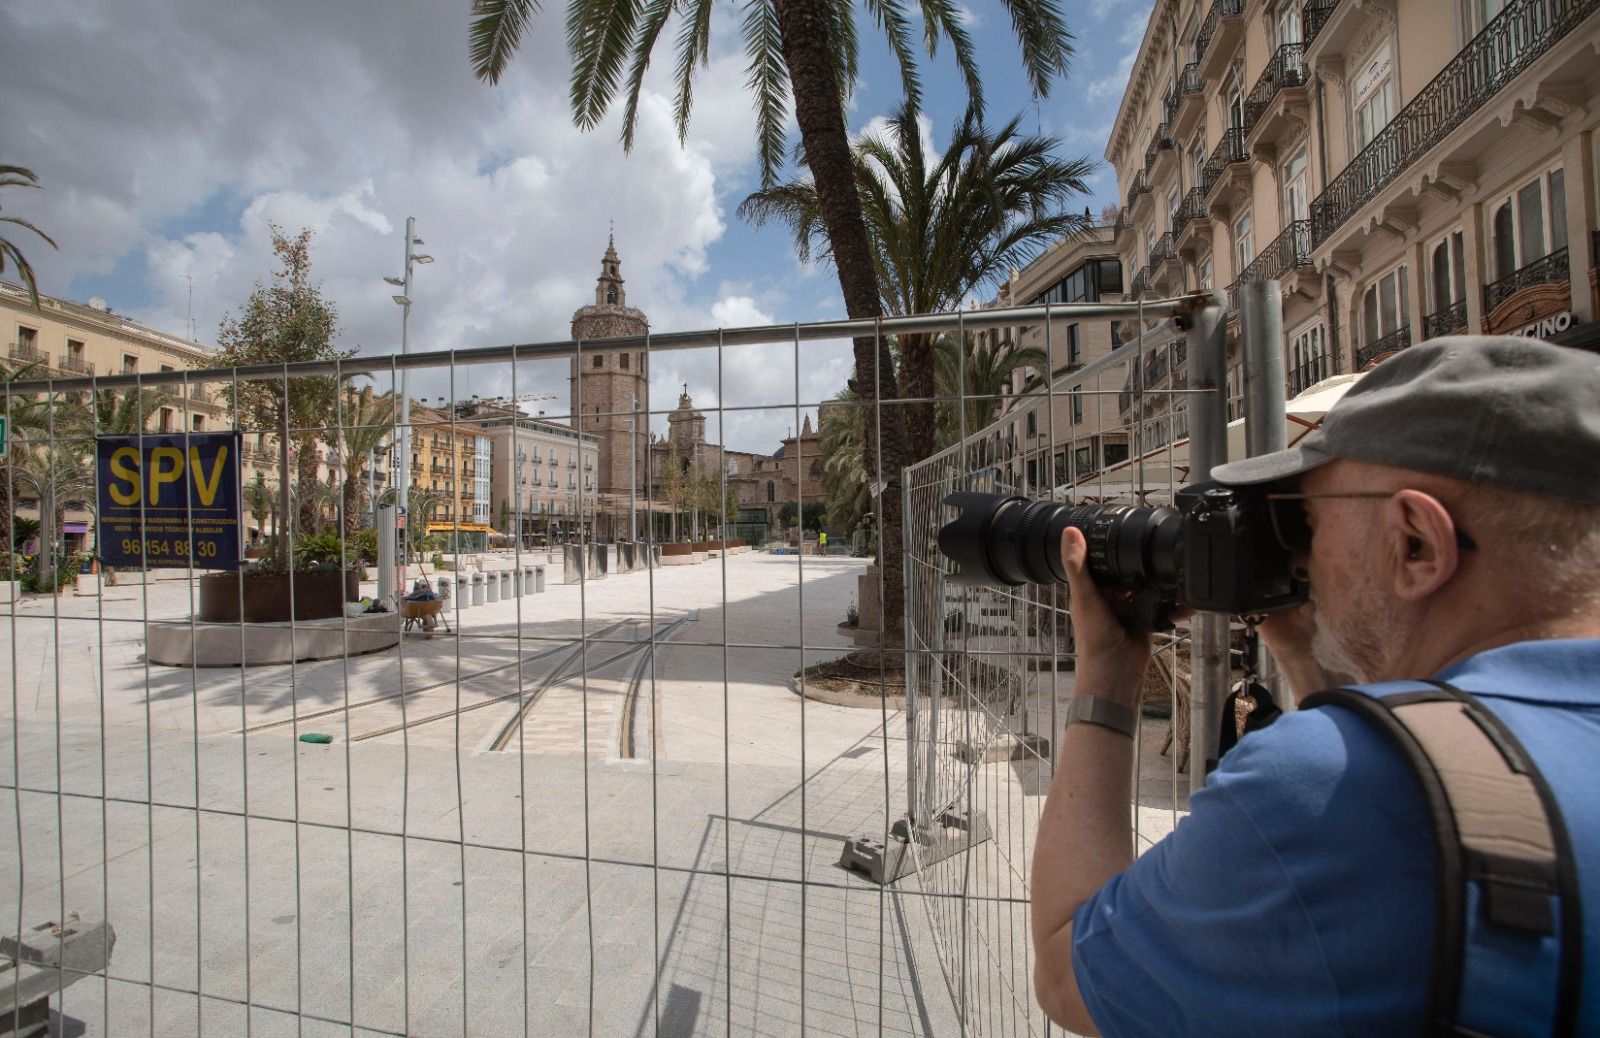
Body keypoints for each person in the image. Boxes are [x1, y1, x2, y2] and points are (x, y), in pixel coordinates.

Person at [1030, 336, 1600, 1036]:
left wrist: (1108, 676)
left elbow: (1067, 971)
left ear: (1415, 543)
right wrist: (1311, 665)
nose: (1298, 558)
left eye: (1308, 518)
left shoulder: (1339, 784)